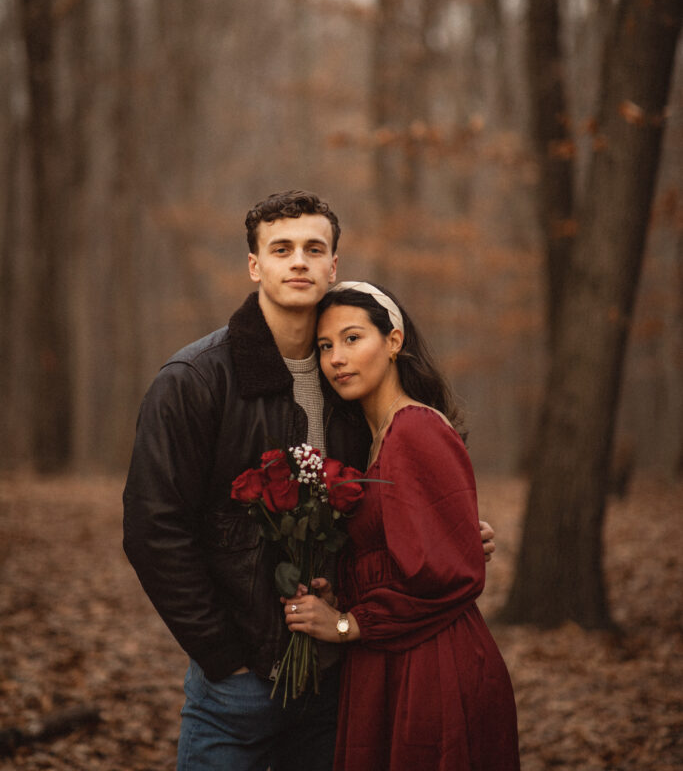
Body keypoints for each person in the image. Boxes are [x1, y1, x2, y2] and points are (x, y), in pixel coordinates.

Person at [122, 191, 496, 771]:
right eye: (282, 248)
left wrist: (449, 531)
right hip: (238, 687)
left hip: (340, 680)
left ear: (333, 266)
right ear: (256, 266)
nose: (299, 261)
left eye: (313, 248)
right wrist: (224, 656)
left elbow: (381, 508)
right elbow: (154, 530)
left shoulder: (349, 384)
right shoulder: (194, 381)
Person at [282, 281, 520, 771]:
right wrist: (342, 590)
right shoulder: (379, 436)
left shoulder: (414, 428)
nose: (336, 359)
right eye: (325, 346)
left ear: (393, 342)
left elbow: (445, 576)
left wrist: (348, 625)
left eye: (352, 339)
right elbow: (410, 553)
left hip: (430, 667)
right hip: (391, 659)